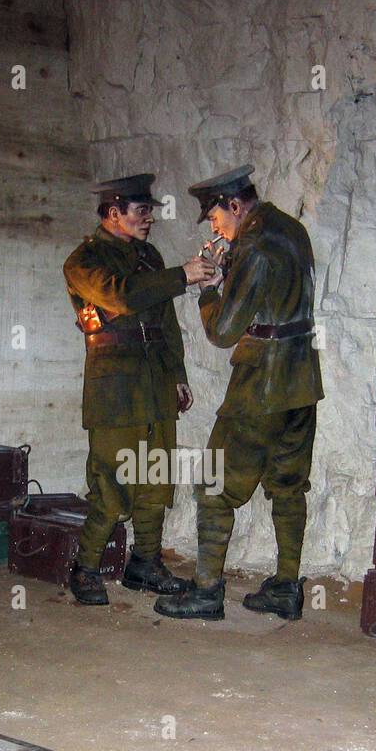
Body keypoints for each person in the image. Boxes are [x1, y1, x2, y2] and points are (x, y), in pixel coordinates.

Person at [155, 165, 322, 622]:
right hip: (302, 382)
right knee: (288, 487)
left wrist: (210, 290)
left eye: (215, 218)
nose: (216, 228)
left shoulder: (252, 243)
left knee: (213, 487)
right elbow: (277, 296)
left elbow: (225, 332)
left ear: (234, 204)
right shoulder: (292, 229)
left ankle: (206, 592)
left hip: (260, 387)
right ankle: (287, 587)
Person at [62, 173, 217, 605]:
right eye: (141, 210)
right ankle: (86, 568)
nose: (149, 217)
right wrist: (182, 275)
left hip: (155, 383)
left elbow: (164, 321)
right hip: (114, 386)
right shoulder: (84, 261)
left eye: (149, 209)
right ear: (114, 213)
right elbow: (123, 297)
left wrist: (179, 375)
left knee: (155, 477)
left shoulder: (149, 256)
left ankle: (145, 563)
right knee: (112, 482)